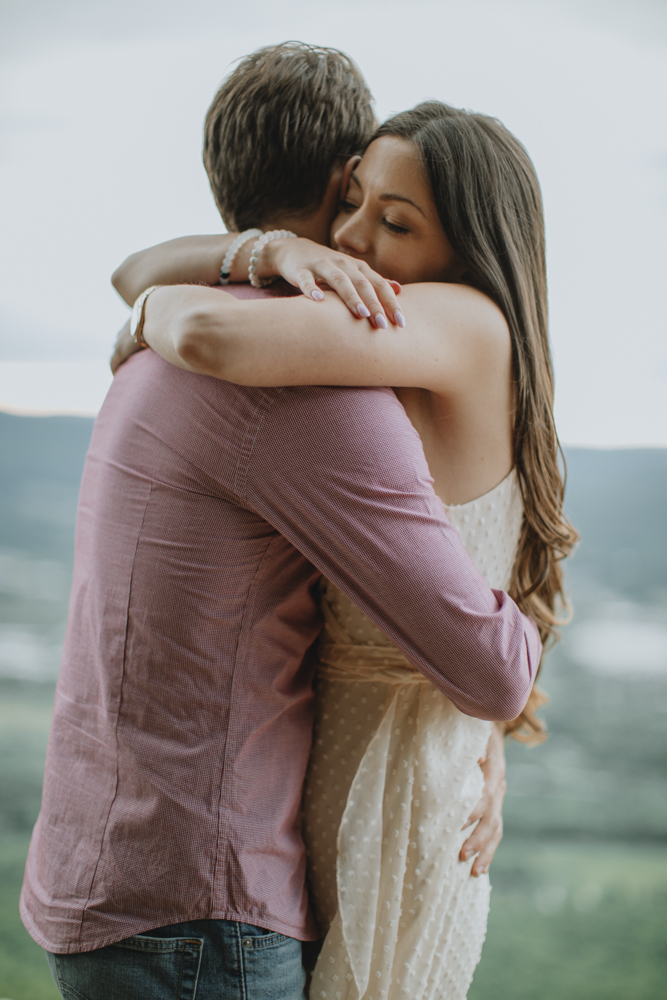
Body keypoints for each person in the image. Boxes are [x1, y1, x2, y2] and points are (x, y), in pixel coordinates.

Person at [20, 44, 538, 1000]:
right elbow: (490, 656)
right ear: (344, 175)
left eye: (391, 218)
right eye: (360, 207)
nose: (357, 238)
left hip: (109, 874)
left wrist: (166, 301)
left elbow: (150, 283)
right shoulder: (298, 385)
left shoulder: (177, 356)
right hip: (201, 907)